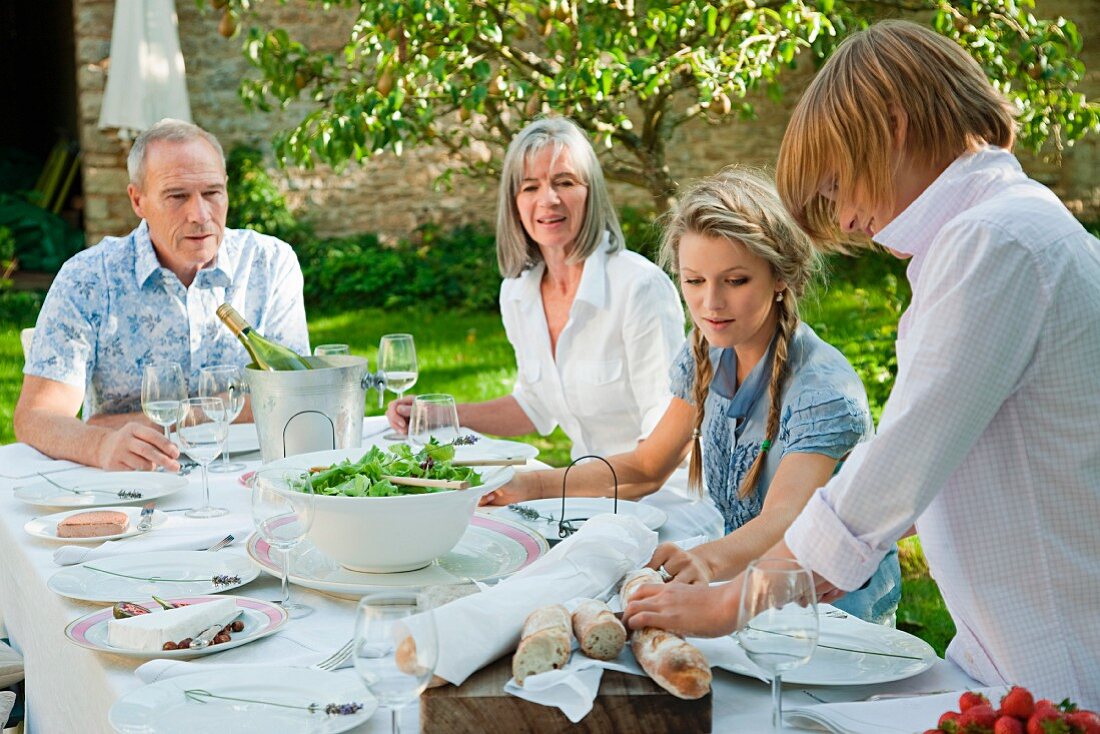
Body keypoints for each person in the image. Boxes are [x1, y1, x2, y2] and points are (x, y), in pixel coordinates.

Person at [623, 20, 1100, 703]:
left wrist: (731, 604)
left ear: (893, 127)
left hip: (1058, 671)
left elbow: (893, 474)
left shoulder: (995, 241)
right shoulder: (1001, 228)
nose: (843, 219)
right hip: (1008, 653)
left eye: (837, 183)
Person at [487, 169, 900, 623]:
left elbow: (787, 518)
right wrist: (533, 485)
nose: (710, 304)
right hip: (745, 594)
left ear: (780, 277)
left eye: (736, 281)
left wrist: (707, 560)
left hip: (830, 620)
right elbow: (649, 467)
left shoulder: (822, 391)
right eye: (694, 281)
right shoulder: (706, 351)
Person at [14, 119, 309, 472]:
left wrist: (173, 416)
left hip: (253, 476)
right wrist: (101, 443)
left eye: (212, 193)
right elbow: (37, 417)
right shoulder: (88, 278)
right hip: (134, 485)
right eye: (177, 196)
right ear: (137, 200)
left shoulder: (269, 263)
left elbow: (295, 394)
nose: (200, 215)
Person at [386, 117, 686, 461]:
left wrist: (561, 488)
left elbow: (666, 434)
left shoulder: (639, 287)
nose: (549, 199)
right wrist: (439, 415)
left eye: (565, 182)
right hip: (588, 488)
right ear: (514, 202)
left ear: (591, 193)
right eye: (530, 187)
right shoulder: (517, 292)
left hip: (660, 495)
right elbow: (536, 405)